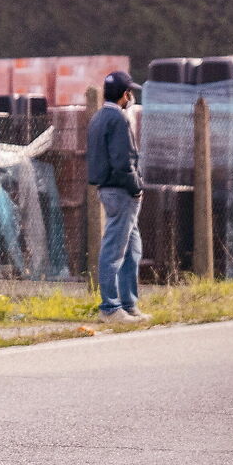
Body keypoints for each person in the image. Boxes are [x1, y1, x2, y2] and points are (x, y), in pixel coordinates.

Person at [87, 69, 147, 323]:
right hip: (122, 190)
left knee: (132, 247)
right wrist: (136, 186)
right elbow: (123, 161)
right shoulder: (119, 120)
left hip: (106, 188)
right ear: (125, 94)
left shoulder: (99, 117)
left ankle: (128, 303)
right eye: (129, 92)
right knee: (114, 249)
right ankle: (110, 307)